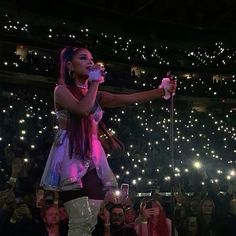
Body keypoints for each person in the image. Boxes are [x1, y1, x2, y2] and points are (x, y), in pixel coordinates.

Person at [40, 46, 177, 235]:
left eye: (91, 58)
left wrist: (162, 91)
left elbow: (129, 98)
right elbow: (81, 110)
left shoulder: (97, 96)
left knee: (89, 223)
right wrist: (95, 83)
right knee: (79, 222)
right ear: (70, 66)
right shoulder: (61, 90)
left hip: (94, 159)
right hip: (71, 157)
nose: (90, 62)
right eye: (83, 58)